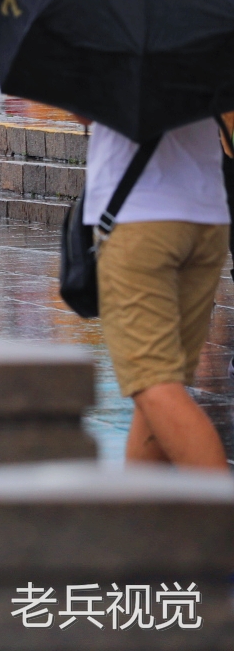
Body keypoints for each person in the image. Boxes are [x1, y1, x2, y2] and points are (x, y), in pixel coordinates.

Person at [90, 114, 234, 469]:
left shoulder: (122, 54)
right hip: (207, 214)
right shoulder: (209, 55)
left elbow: (85, 107)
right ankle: (143, 519)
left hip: (141, 219)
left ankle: (219, 519)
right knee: (162, 384)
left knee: (152, 384)